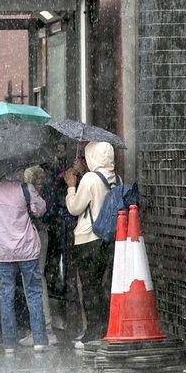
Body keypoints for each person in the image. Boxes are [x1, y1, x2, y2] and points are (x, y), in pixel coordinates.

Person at [0, 170, 49, 353]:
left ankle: (9, 343)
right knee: (33, 293)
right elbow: (40, 210)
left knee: (6, 296)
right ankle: (39, 339)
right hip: (26, 249)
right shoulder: (26, 189)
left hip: (3, 250)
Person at [63, 141, 116, 348]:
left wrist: (71, 187)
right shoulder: (113, 177)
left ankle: (93, 332)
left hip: (88, 239)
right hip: (106, 238)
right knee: (102, 286)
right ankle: (103, 327)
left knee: (89, 287)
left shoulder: (90, 179)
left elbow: (75, 208)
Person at [21, 165, 58, 346]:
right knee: (38, 278)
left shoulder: (28, 192)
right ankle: (44, 328)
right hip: (43, 234)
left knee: (33, 280)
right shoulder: (48, 187)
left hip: (32, 236)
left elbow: (37, 212)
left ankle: (43, 329)